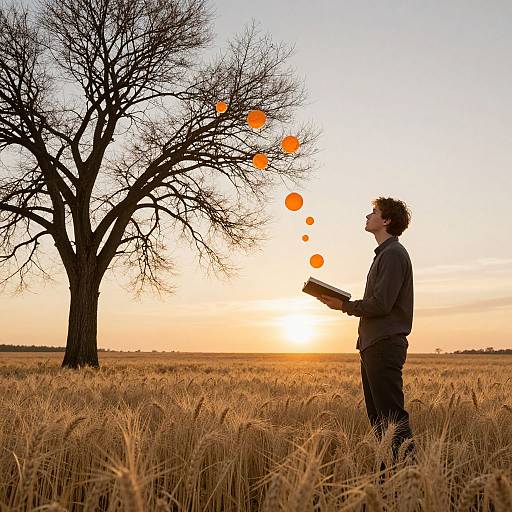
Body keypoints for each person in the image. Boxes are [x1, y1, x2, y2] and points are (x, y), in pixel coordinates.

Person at [317, 197, 415, 465]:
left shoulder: (393, 255)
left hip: (384, 344)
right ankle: (389, 480)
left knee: (391, 418)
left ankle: (412, 480)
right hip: (373, 344)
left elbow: (382, 303)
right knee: (380, 421)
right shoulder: (385, 254)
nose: (367, 216)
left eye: (374, 212)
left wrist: (344, 305)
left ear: (386, 221)